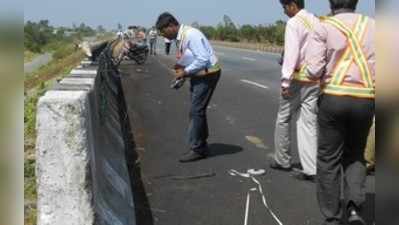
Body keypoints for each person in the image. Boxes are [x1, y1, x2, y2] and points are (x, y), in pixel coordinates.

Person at [306, 0, 375, 224]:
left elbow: (314, 70)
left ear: (331, 3)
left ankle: (332, 216)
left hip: (333, 99)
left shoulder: (323, 26)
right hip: (365, 99)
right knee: (355, 155)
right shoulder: (373, 26)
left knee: (328, 158)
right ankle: (354, 209)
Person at [155, 12, 221, 163]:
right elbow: (192, 57)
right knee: (197, 110)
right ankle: (201, 144)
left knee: (196, 110)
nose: (164, 36)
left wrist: (185, 72)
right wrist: (183, 73)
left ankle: (197, 148)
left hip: (207, 74)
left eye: (164, 31)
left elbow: (203, 58)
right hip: (200, 74)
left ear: (171, 26)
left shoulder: (191, 34)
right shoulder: (183, 36)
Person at [268, 0, 320, 181]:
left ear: (292, 5)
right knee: (308, 123)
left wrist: (285, 82)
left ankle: (282, 160)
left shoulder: (294, 23)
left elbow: (291, 54)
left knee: (283, 117)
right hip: (315, 79)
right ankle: (311, 168)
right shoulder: (316, 20)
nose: (284, 11)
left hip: (298, 79)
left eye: (284, 7)